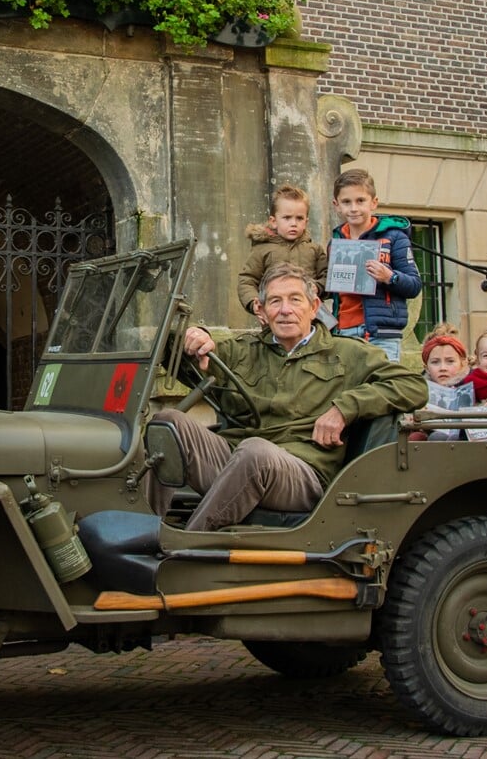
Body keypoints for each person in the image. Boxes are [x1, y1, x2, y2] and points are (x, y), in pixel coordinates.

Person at [148, 263, 426, 530]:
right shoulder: (243, 350)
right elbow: (173, 358)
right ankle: (147, 529)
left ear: (314, 307)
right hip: (237, 456)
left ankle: (187, 543)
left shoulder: (348, 353)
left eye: (295, 300)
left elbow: (413, 385)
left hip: (302, 470)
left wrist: (345, 408)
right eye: (275, 302)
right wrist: (194, 336)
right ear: (261, 310)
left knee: (255, 452)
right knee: (167, 423)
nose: (285, 311)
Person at [326, 169, 422, 360]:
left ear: (374, 202)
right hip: (344, 331)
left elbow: (414, 285)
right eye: (346, 202)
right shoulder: (336, 241)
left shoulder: (394, 237)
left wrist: (389, 277)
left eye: (360, 201)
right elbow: (332, 288)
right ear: (336, 205)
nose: (353, 208)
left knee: (382, 388)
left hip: (382, 333)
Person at [238, 184, 328, 316]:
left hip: (309, 316)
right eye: (287, 218)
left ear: (306, 222)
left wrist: (318, 287)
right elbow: (247, 280)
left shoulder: (314, 250)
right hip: (275, 315)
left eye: (299, 218)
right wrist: (254, 302)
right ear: (274, 221)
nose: (293, 223)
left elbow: (327, 276)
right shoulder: (262, 250)